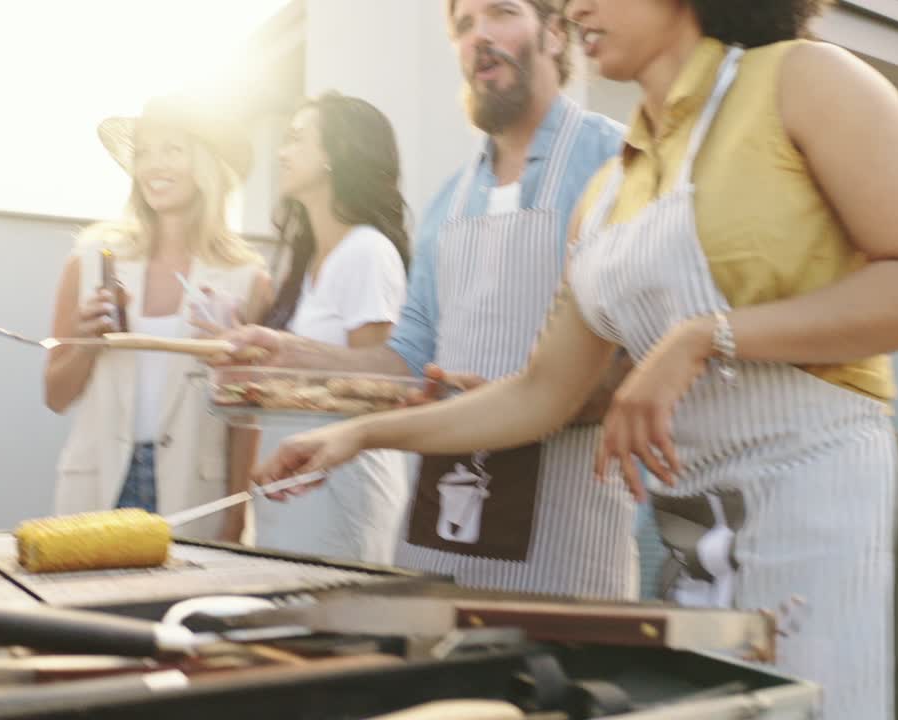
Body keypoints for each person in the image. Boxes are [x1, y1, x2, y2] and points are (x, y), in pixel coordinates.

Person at [247, 1, 898, 718]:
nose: (576, 8)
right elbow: (540, 394)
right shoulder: (606, 191)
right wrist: (356, 435)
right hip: (698, 537)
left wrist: (702, 336)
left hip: (841, 509)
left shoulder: (804, 80)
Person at [215, 0, 637, 598]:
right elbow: (406, 359)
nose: (480, 36)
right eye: (464, 26)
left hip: (568, 526)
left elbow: (648, 358)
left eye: (501, 12)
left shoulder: (617, 163)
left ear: (553, 30)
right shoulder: (449, 200)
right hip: (443, 522)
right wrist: (285, 351)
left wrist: (541, 402)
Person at [44, 95, 272, 542]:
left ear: (205, 164)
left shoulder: (248, 279)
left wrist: (235, 515)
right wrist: (87, 344)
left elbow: (247, 418)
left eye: (171, 149)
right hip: (97, 485)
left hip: (195, 492)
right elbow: (55, 395)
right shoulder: (89, 261)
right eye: (144, 152)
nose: (153, 165)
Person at [249, 92, 411, 564]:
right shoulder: (304, 260)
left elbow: (382, 387)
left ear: (337, 155)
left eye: (298, 139)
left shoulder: (367, 252)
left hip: (342, 487)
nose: (282, 152)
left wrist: (287, 357)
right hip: (293, 482)